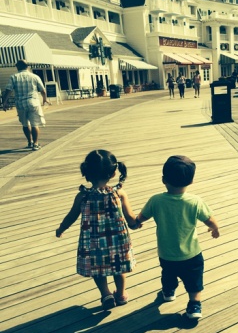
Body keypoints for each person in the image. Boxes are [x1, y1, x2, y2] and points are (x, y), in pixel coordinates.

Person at [136, 155, 220, 319]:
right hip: (192, 253)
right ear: (191, 182)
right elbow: (209, 219)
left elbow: (141, 217)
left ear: (163, 180)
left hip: (166, 253)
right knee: (194, 280)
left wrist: (137, 221)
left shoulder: (156, 200)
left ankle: (168, 292)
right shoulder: (195, 201)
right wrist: (215, 228)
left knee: (168, 274)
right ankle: (194, 305)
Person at [56, 149, 141, 310]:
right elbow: (130, 217)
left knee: (98, 269)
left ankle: (106, 294)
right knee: (118, 267)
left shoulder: (83, 196)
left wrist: (61, 228)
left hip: (93, 240)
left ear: (87, 172)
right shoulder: (119, 193)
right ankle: (121, 294)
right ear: (114, 173)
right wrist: (136, 224)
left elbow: (71, 216)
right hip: (117, 240)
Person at [2, 59, 47, 151]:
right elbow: (43, 90)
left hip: (20, 103)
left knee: (25, 124)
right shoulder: (35, 77)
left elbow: (8, 90)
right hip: (33, 102)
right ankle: (35, 144)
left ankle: (30, 142)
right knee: (35, 124)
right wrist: (44, 100)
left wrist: (5, 102)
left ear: (18, 66)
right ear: (28, 66)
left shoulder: (14, 77)